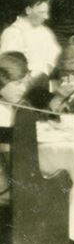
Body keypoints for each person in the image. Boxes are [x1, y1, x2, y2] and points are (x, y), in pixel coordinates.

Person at [1, 0, 61, 79]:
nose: (46, 17)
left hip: (44, 83)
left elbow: (55, 57)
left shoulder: (45, 32)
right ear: (28, 10)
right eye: (42, 12)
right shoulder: (13, 33)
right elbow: (9, 68)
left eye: (46, 12)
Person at [0, 52, 31, 207]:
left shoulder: (7, 107)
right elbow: (11, 161)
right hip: (5, 188)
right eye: (18, 83)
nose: (23, 89)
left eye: (24, 83)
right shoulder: (2, 114)